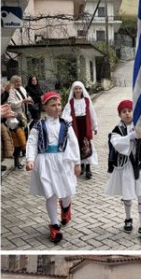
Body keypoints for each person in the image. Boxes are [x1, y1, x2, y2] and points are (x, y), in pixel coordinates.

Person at [26, 91, 81, 243]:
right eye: (53, 105)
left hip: (63, 161)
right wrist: (30, 159)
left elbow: (73, 143)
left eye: (58, 105)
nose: (57, 108)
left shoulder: (65, 124)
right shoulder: (38, 125)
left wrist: (77, 163)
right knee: (50, 194)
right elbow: (31, 142)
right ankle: (54, 225)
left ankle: (65, 206)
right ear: (44, 107)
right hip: (45, 161)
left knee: (67, 190)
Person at [105, 99, 141, 239]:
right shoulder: (116, 130)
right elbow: (117, 144)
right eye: (124, 111)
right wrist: (130, 136)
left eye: (129, 111)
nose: (127, 114)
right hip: (125, 165)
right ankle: (128, 218)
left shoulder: (139, 126)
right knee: (127, 194)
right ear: (120, 114)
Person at [61, 81, 98, 179]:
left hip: (85, 125)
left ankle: (88, 168)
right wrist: (67, 121)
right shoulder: (71, 102)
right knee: (77, 145)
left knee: (87, 145)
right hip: (75, 126)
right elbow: (65, 114)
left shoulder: (86, 100)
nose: (78, 90)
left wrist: (95, 126)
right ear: (73, 90)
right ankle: (81, 166)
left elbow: (92, 113)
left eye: (79, 88)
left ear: (82, 90)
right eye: (76, 88)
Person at [6, 75, 33, 170]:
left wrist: (28, 99)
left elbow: (25, 97)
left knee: (24, 136)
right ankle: (16, 161)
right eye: (17, 82)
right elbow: (11, 104)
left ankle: (22, 155)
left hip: (24, 116)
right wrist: (22, 101)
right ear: (13, 82)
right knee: (18, 139)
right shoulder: (11, 91)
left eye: (20, 81)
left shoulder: (22, 89)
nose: (19, 83)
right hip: (16, 117)